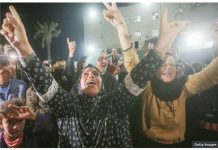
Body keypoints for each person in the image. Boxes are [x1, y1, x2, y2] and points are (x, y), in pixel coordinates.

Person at [0, 5, 171, 147]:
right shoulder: (66, 105)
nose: (91, 75)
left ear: (102, 84)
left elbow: (139, 77)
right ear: (79, 83)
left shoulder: (116, 103)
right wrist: (23, 49)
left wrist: (161, 44)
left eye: (96, 74)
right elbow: (43, 82)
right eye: (85, 74)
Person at [105, 3, 218, 148]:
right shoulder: (146, 84)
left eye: (172, 64)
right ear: (153, 69)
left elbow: (212, 74)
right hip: (147, 144)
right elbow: (131, 59)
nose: (168, 68)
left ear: (177, 69)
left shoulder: (185, 86)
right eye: (162, 65)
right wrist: (122, 28)